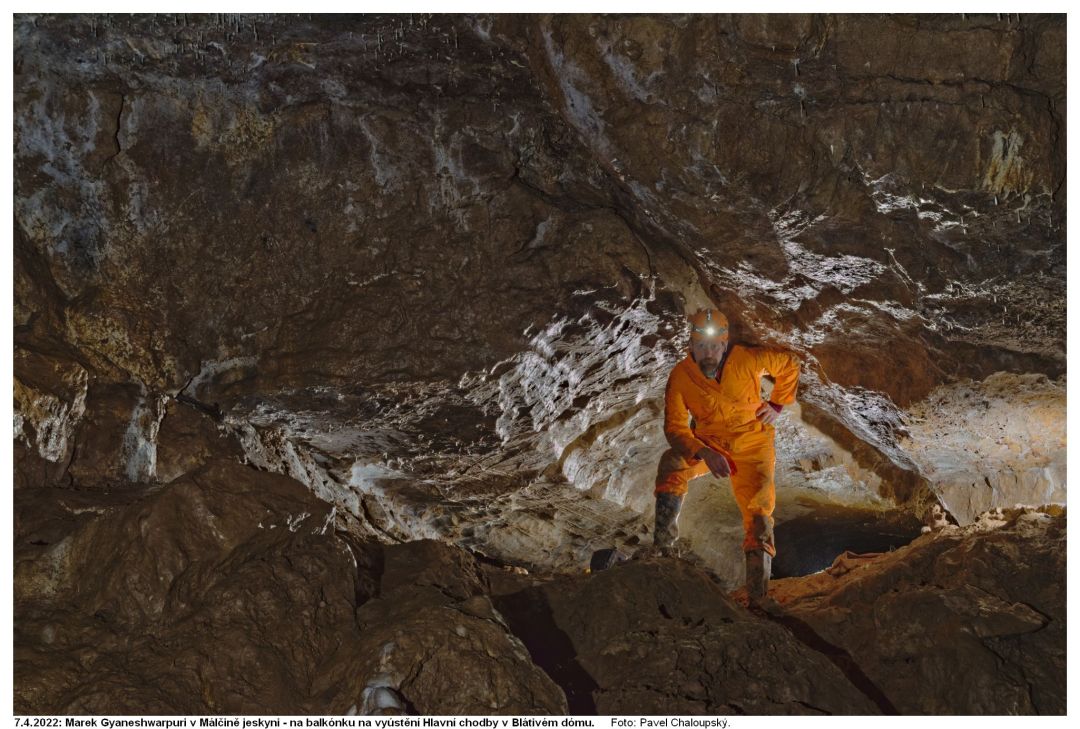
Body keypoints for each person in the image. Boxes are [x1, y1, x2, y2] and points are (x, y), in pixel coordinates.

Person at [652, 307, 800, 600]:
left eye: (714, 346)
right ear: (691, 347)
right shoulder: (682, 376)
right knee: (673, 463)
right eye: (701, 346)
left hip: (753, 447)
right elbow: (675, 427)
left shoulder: (747, 359)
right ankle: (662, 549)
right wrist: (703, 452)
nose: (708, 353)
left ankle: (758, 598)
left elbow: (789, 364)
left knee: (759, 516)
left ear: (724, 344)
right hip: (710, 444)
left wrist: (777, 404)